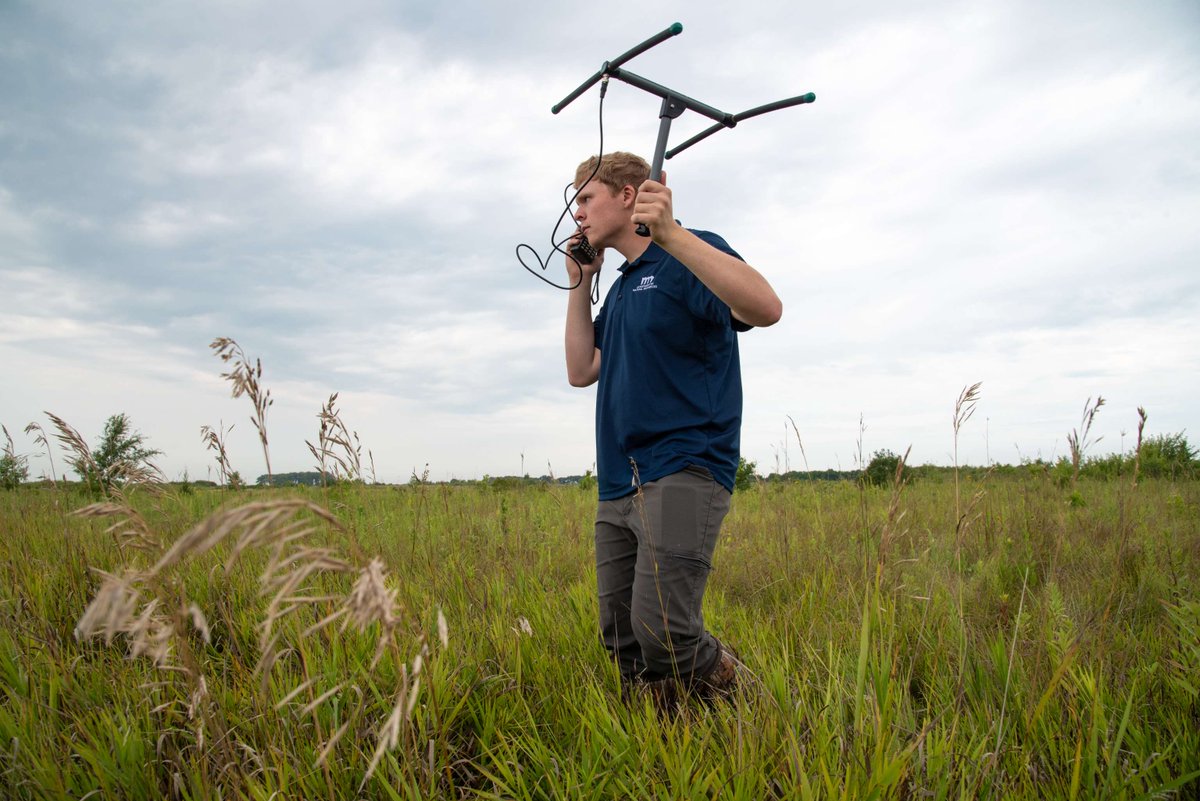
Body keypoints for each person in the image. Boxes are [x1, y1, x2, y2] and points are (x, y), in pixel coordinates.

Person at [563, 151, 782, 708]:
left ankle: (755, 704)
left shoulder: (688, 253)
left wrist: (673, 235)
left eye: (585, 198)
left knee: (664, 629)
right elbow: (581, 370)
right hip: (618, 478)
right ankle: (670, 738)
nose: (577, 214)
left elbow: (766, 307)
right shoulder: (620, 287)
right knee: (623, 638)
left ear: (630, 195)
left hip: (684, 466)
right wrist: (579, 284)